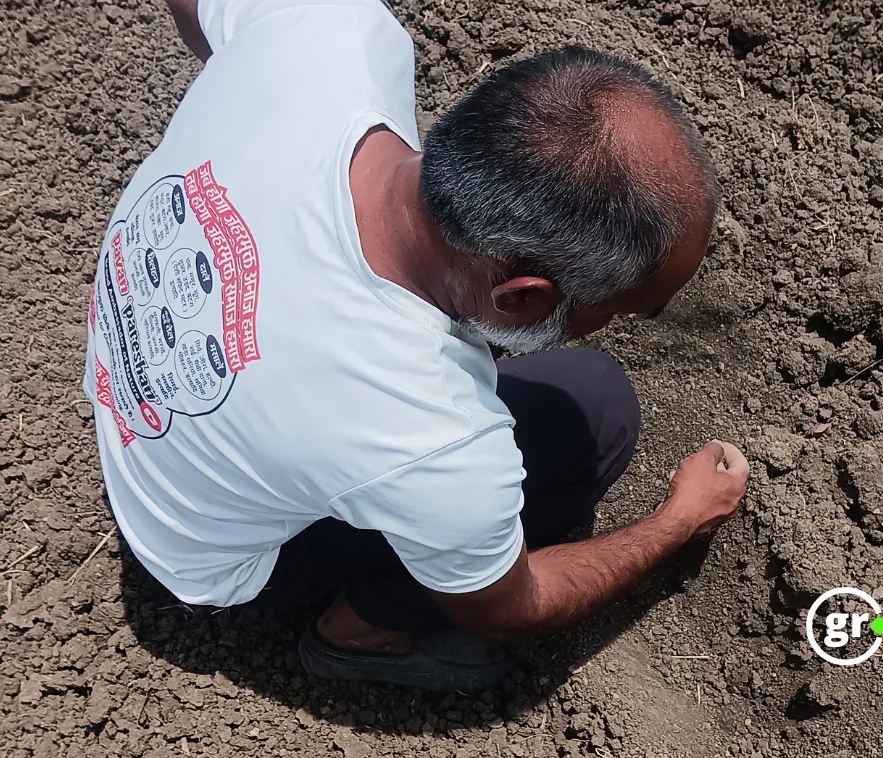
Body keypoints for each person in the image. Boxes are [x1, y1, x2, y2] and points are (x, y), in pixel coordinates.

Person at [85, 0, 749, 692]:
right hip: (205, 557)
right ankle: (361, 632)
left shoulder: (330, 33)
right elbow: (513, 609)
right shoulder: (434, 439)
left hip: (130, 399)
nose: (618, 324)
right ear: (522, 295)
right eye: (616, 313)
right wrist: (680, 521)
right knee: (596, 408)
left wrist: (238, 92)